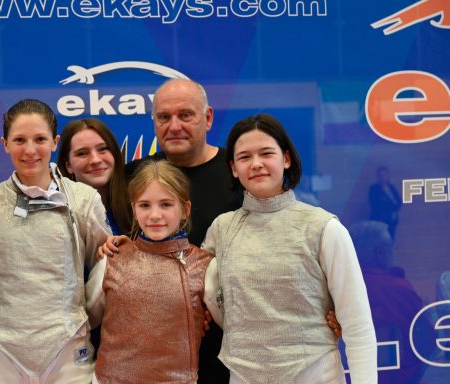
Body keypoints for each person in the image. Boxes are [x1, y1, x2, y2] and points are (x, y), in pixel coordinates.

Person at [202, 114, 377, 383]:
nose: (256, 164)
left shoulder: (323, 227)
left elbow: (357, 322)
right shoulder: (221, 229)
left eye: (266, 153)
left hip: (315, 373)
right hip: (242, 374)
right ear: (234, 168)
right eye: (245, 157)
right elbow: (204, 288)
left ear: (286, 159)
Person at [0, 99, 111, 384]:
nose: (30, 150)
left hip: (68, 345)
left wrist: (83, 317)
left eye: (40, 139)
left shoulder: (83, 198)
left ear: (55, 142)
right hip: (3, 348)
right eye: (19, 140)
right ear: (4, 143)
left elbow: (106, 264)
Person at [125, 78, 243, 382]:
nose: (173, 125)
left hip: (230, 348)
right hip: (156, 353)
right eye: (164, 117)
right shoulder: (133, 177)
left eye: (185, 115)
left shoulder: (240, 173)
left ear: (208, 118)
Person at [86, 159, 215, 383]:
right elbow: (83, 320)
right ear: (134, 209)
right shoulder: (114, 258)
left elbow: (235, 323)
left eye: (166, 204)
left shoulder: (204, 265)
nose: (155, 215)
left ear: (185, 210)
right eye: (145, 205)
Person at [350, 220, 433, 384]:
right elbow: (427, 342)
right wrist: (427, 311)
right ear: (381, 252)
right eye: (390, 248)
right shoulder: (397, 290)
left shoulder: (338, 289)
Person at [57, 118, 131, 235]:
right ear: (68, 165)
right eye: (82, 153)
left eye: (102, 149)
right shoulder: (58, 217)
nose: (95, 160)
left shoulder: (138, 206)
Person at [368, 166, 402, 240]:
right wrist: (390, 206)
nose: (382, 178)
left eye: (384, 175)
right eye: (380, 176)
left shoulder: (391, 188)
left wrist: (393, 206)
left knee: (390, 240)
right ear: (377, 177)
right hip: (380, 220)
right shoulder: (374, 189)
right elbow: (375, 204)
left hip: (392, 220)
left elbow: (399, 202)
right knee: (380, 241)